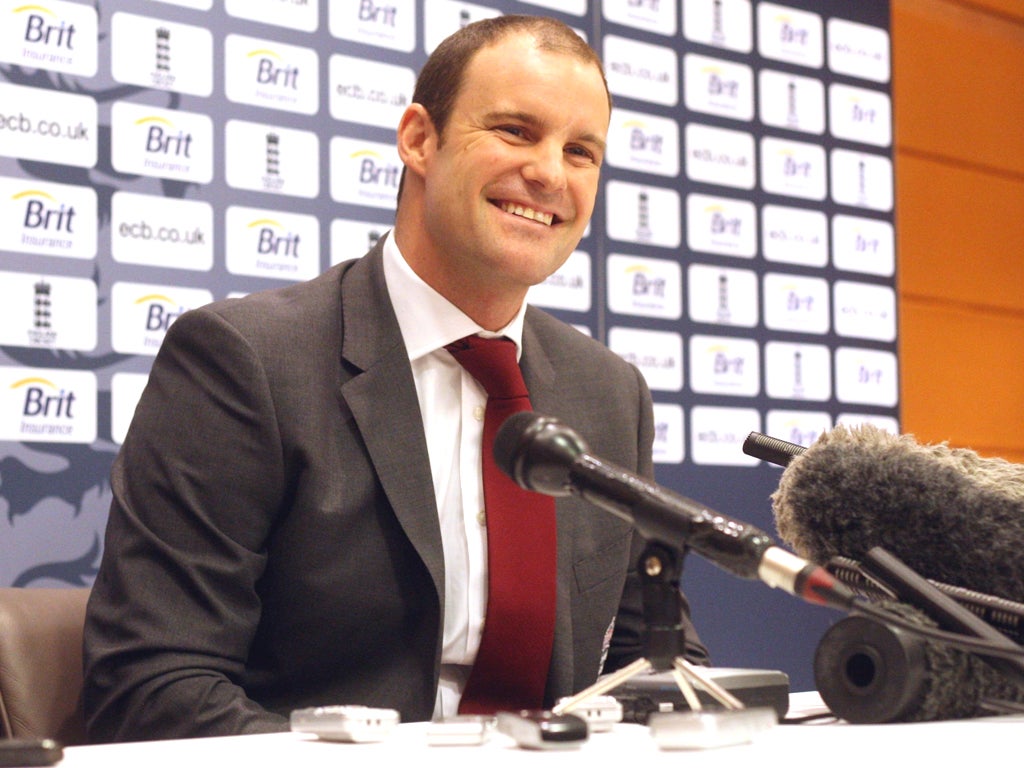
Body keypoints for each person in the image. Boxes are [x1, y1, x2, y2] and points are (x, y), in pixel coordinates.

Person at [82, 15, 708, 743]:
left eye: (580, 151)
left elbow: (650, 665)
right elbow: (151, 686)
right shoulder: (245, 360)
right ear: (418, 139)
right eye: (514, 131)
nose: (549, 173)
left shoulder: (609, 393)